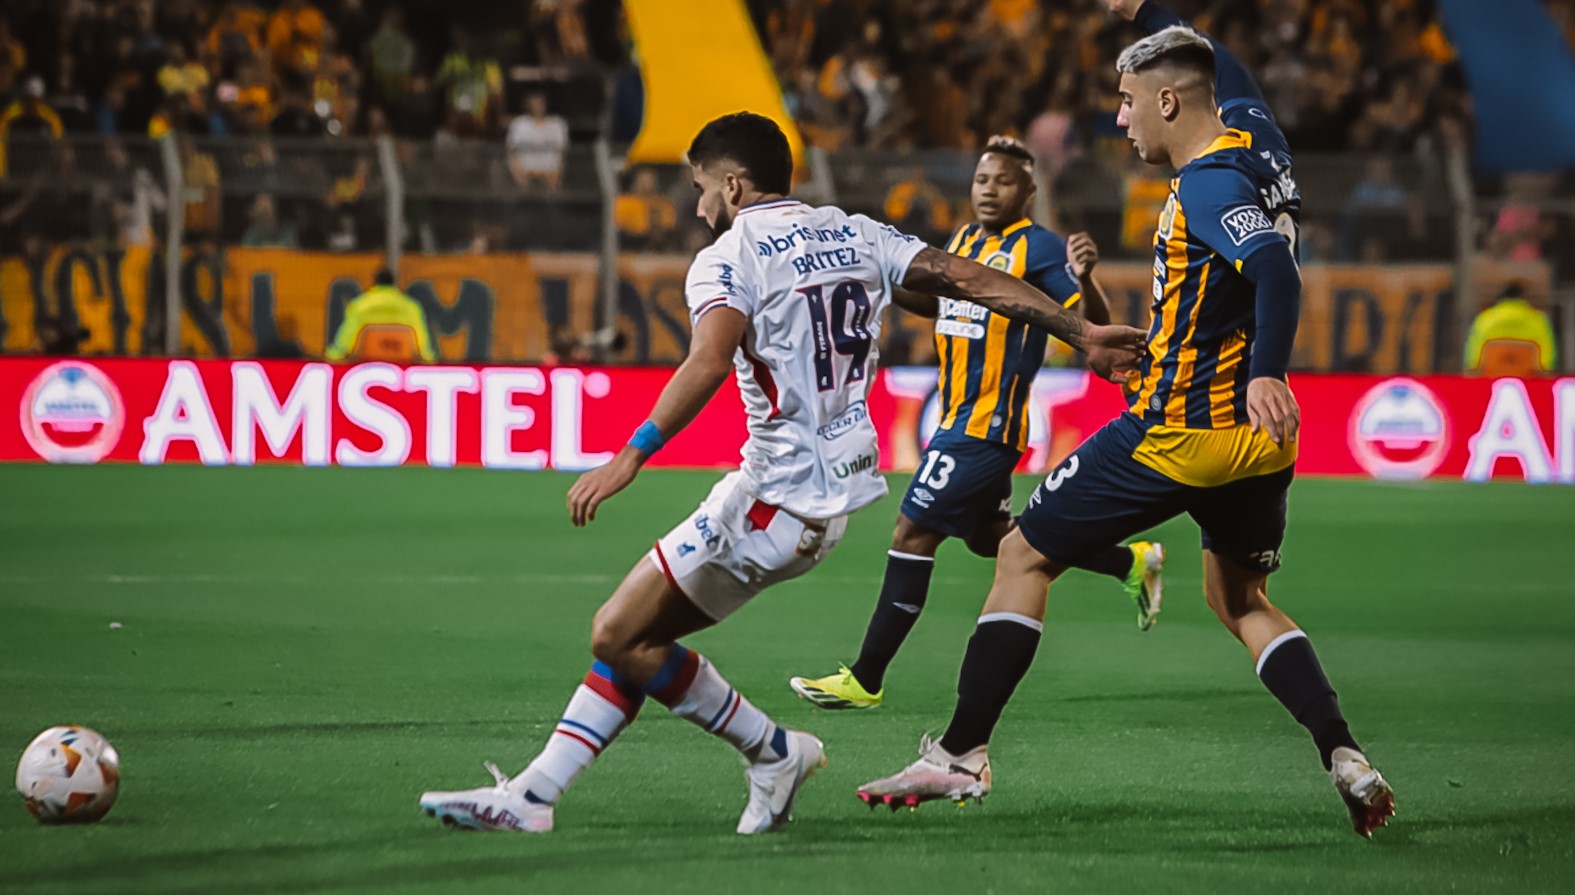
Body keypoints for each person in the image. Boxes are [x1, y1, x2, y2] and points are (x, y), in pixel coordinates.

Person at [416, 111, 1147, 835]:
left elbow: (707, 358)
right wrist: (1078, 328)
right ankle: (538, 794)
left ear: (733, 185)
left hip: (771, 497)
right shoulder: (854, 232)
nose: (697, 203)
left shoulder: (731, 255)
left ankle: (771, 750)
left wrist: (630, 453)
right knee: (633, 639)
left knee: (614, 631)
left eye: (701, 187)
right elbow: (967, 277)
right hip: (824, 504)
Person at [856, 2, 1397, 841]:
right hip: (1259, 445)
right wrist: (1144, 11)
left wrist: (1263, 372)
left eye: (1126, 99)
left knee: (1019, 552)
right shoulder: (1257, 138)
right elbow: (1222, 66)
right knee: (1241, 596)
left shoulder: (1209, 181)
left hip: (1180, 428)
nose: (1119, 116)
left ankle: (961, 752)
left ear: (1170, 103)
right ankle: (1342, 752)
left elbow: (1275, 274)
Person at [789, 135, 1166, 713]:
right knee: (994, 539)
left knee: (911, 534)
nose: (989, 190)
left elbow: (1092, 325)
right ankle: (1131, 561)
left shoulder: (1039, 248)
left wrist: (1085, 279)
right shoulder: (963, 242)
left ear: (1029, 192)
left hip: (986, 427)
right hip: (955, 418)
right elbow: (941, 303)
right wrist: (873, 280)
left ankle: (866, 678)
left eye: (1004, 181)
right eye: (982, 180)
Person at [325, 268, 436, 363]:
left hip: (367, 362)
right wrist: (428, 359)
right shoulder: (412, 307)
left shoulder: (359, 305)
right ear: (394, 283)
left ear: (375, 282)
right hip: (403, 362)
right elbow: (422, 344)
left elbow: (346, 339)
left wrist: (335, 355)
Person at [1464, 281, 1558, 376]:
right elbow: (1546, 361)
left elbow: (1473, 358)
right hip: (1529, 380)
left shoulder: (1485, 319)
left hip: (1490, 379)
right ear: (1523, 298)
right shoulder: (1539, 320)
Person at [506, 92, 569, 190]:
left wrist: (554, 182)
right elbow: (513, 154)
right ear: (527, 104)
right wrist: (521, 181)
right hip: (526, 176)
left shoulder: (557, 124)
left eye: (540, 102)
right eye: (533, 102)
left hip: (550, 176)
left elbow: (561, 154)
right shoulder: (518, 124)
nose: (537, 106)